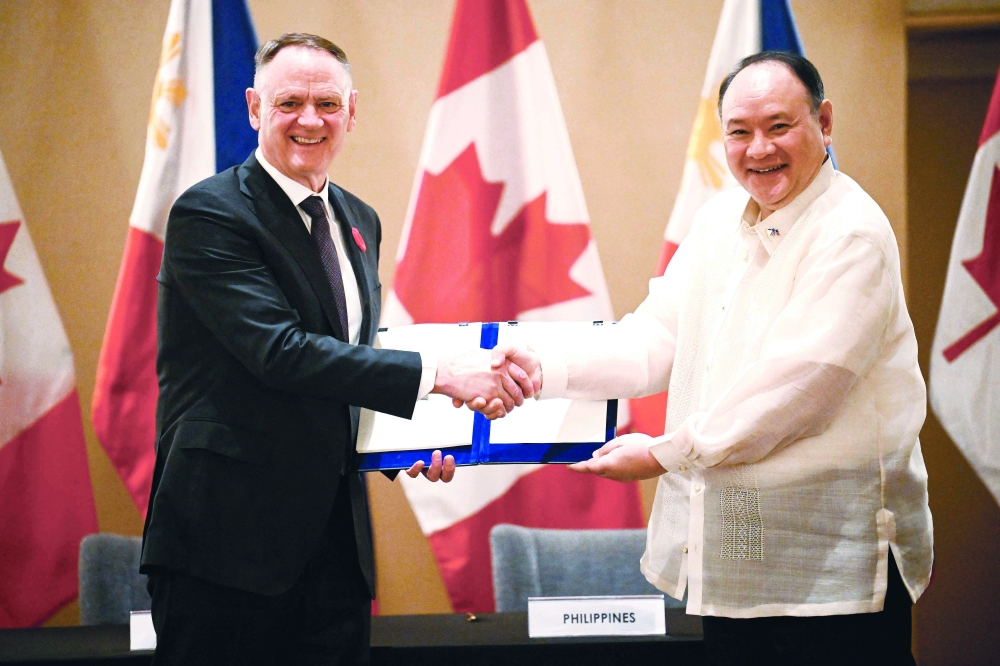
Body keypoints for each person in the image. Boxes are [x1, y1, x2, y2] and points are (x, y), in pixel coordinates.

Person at [497, 52, 932, 665]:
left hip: (827, 568)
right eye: (739, 131)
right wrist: (542, 366)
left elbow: (793, 395)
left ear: (824, 122)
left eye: (779, 126)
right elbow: (654, 339)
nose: (759, 149)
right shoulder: (717, 220)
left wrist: (661, 454)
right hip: (735, 555)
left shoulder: (851, 234)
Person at [140, 33, 532, 666]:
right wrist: (440, 376)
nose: (309, 120)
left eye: (326, 103)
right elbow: (283, 353)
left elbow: (347, 358)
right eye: (289, 102)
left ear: (352, 110)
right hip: (226, 548)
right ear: (253, 109)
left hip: (334, 550)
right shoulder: (210, 214)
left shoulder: (358, 219)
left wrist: (408, 439)